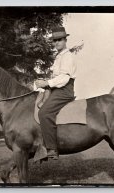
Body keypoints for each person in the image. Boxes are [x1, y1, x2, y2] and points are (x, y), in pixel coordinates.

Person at [35, 27, 77, 160]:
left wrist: (47, 83)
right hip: (57, 89)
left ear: (65, 40)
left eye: (59, 40)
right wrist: (44, 85)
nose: (57, 42)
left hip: (64, 90)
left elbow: (64, 79)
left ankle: (52, 149)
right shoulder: (58, 57)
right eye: (54, 40)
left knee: (44, 113)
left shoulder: (68, 56)